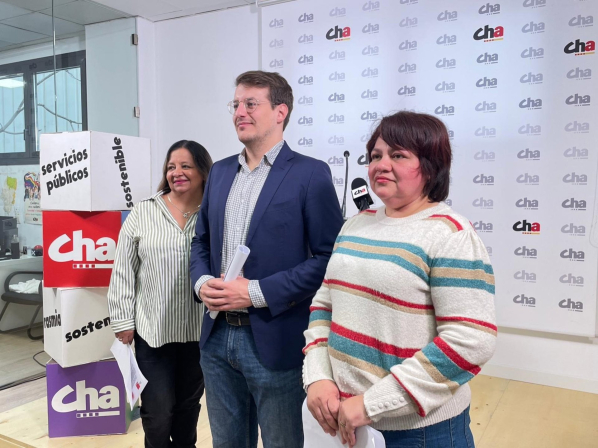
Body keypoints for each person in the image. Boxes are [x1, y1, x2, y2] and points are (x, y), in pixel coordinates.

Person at [304, 111, 496, 448]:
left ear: (431, 166)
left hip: (421, 432)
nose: (381, 165)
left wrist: (372, 403)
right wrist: (318, 377)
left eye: (398, 155)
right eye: (375, 155)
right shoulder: (355, 225)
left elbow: (471, 340)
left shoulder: (450, 234)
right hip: (345, 422)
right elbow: (324, 305)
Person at [190, 70, 344, 448]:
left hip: (275, 339)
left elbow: (328, 258)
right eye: (235, 104)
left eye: (250, 103)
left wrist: (255, 292)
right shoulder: (220, 172)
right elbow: (201, 242)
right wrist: (201, 282)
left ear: (280, 112)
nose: (239, 112)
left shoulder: (310, 174)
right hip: (216, 338)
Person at [108, 140, 213, 448]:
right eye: (171, 167)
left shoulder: (214, 213)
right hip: (152, 332)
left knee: (188, 406)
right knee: (157, 412)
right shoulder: (144, 211)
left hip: (199, 332)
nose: (176, 172)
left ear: (203, 171)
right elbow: (123, 270)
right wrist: (122, 321)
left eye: (185, 166)